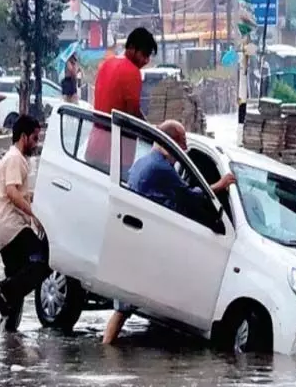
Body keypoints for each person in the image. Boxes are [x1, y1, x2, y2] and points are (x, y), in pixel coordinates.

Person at [102, 119, 236, 345]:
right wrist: (219, 186)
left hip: (137, 239)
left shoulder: (142, 162)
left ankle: (110, 350)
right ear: (171, 142)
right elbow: (189, 196)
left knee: (125, 307)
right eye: (182, 143)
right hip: (148, 243)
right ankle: (108, 348)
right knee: (124, 309)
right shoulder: (161, 167)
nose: (184, 149)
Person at [0, 114, 50, 332]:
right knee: (44, 261)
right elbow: (12, 192)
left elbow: (19, 191)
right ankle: (3, 289)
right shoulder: (15, 158)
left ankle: (8, 345)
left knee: (14, 299)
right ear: (23, 137)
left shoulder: (13, 159)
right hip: (14, 227)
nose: (36, 143)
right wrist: (34, 215)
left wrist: (35, 196)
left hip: (4, 232)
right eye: (34, 138)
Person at [84, 27, 158, 170]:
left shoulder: (106, 64)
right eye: (144, 54)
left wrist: (150, 128)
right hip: (116, 155)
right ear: (131, 48)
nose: (146, 60)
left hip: (94, 147)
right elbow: (132, 116)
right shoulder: (132, 72)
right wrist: (153, 135)